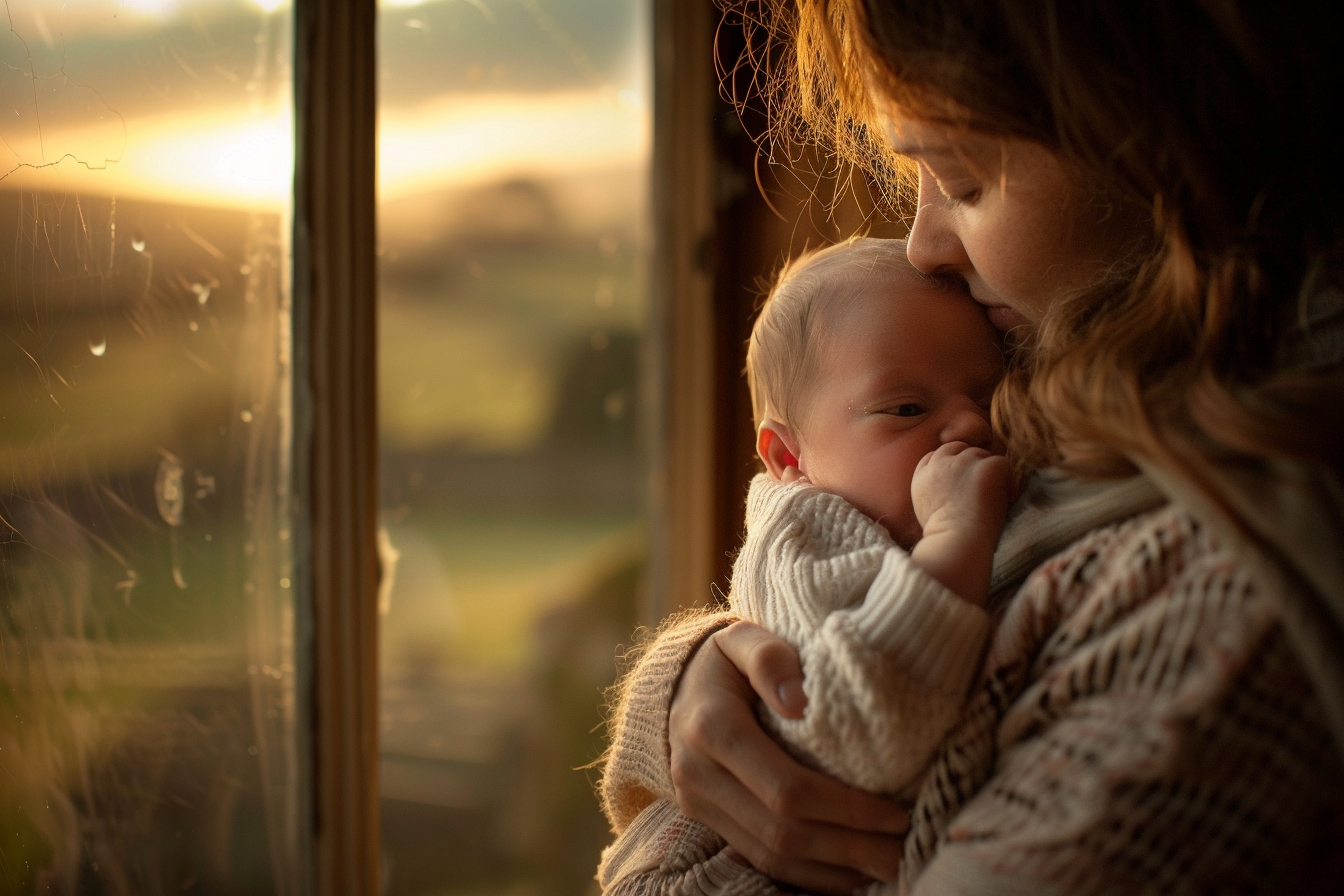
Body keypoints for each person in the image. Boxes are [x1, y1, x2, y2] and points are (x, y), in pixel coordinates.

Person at [597, 2, 1344, 895]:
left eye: (962, 181)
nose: (922, 244)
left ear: (1165, 144)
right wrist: (707, 685)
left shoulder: (1214, 612)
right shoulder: (1082, 404)